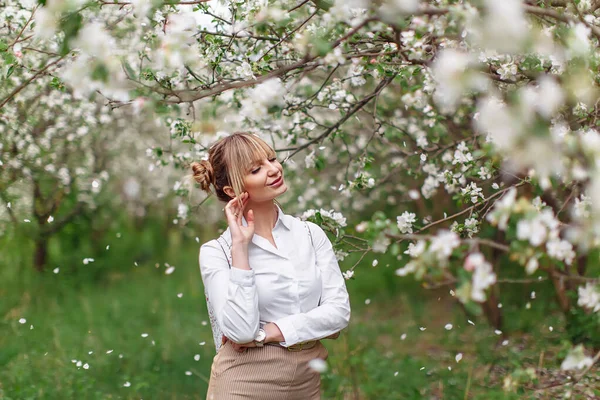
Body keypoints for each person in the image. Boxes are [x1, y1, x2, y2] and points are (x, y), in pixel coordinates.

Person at [191, 132, 351, 400]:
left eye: (272, 159)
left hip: (307, 381)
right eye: (256, 169)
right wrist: (240, 247)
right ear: (232, 191)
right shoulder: (216, 252)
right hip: (244, 382)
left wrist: (268, 333)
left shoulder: (310, 234)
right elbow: (240, 332)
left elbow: (338, 314)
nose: (274, 169)